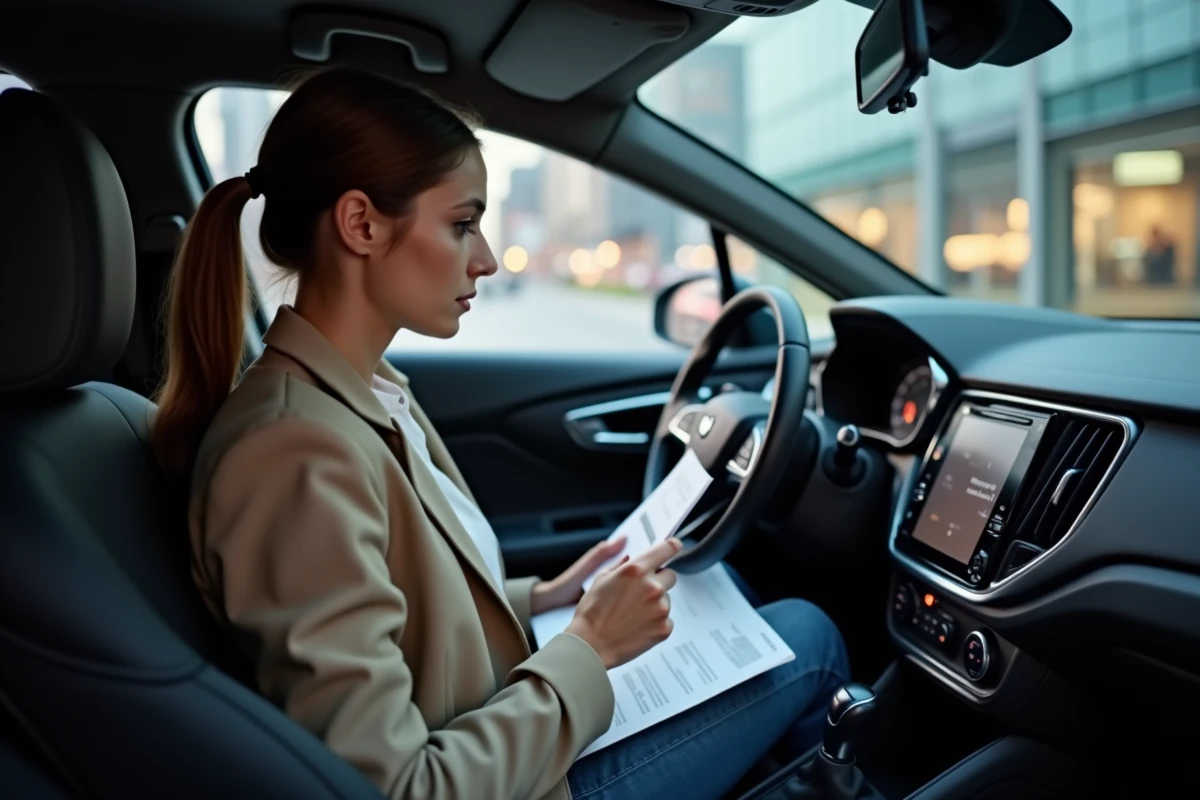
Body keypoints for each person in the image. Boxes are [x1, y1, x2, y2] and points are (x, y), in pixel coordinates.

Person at [153, 66, 848, 800]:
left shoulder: (364, 394)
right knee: (808, 638)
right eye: (461, 224)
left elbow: (412, 621)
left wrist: (549, 597)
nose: (485, 258)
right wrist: (588, 646)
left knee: (722, 591)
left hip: (507, 730)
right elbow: (397, 788)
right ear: (360, 224)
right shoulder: (292, 452)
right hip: (517, 778)